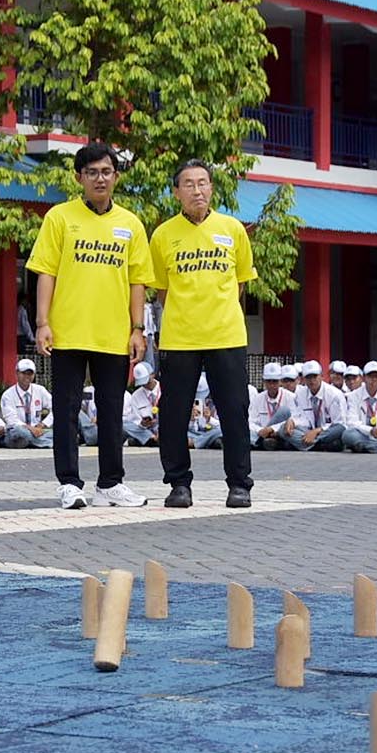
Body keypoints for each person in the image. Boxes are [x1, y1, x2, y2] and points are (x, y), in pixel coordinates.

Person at [27, 142, 153, 508]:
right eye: (92, 172)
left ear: (116, 176)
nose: (100, 178)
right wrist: (43, 323)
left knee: (112, 410)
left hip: (114, 336)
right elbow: (46, 273)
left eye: (107, 172)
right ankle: (69, 483)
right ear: (79, 177)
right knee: (65, 409)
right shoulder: (59, 218)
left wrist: (137, 329)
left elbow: (137, 282)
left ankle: (111, 483)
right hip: (67, 332)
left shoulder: (130, 224)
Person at [146, 159, 255, 507]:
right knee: (174, 415)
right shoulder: (163, 235)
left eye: (203, 183)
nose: (197, 190)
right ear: (176, 192)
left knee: (234, 412)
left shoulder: (233, 229)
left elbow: (239, 284)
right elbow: (162, 291)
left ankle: (239, 484)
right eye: (189, 184)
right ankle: (179, 484)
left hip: (227, 336)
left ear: (212, 188)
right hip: (180, 339)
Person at [1, 358, 53, 448]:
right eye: (23, 373)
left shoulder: (40, 390)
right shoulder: (8, 395)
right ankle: (49, 443)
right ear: (17, 373)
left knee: (61, 432)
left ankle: (33, 442)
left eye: (30, 373)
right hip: (18, 431)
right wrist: (30, 428)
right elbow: (12, 421)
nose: (27, 376)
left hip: (38, 431)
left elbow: (56, 408)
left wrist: (43, 424)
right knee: (19, 432)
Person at [123, 362, 162, 446]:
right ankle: (151, 439)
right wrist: (143, 424)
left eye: (147, 381)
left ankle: (143, 440)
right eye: (142, 383)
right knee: (124, 425)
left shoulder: (166, 389)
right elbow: (135, 421)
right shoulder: (136, 396)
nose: (145, 385)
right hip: (146, 431)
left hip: (165, 427)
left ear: (153, 374)